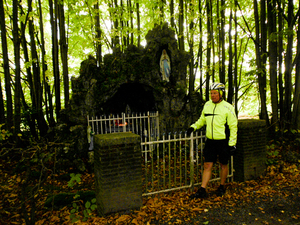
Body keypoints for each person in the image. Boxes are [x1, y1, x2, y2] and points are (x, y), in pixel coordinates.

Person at [187, 82, 238, 199]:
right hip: (210, 141)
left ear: (221, 94)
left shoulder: (228, 107)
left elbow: (233, 126)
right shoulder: (207, 105)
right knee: (207, 165)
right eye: (211, 93)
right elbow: (202, 120)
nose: (213, 95)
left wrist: (232, 144)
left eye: (215, 93)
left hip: (223, 141)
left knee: (223, 164)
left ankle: (221, 186)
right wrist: (193, 127)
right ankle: (203, 189)